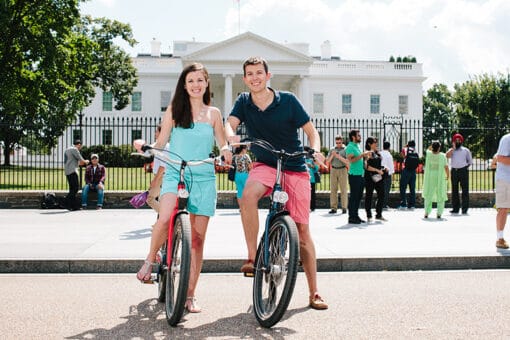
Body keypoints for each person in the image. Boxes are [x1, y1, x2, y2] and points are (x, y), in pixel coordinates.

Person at [225, 57, 328, 310]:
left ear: (268, 76)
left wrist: (315, 150)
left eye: (259, 73)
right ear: (245, 78)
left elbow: (312, 132)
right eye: (249, 74)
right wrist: (231, 140)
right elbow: (230, 124)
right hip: (266, 164)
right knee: (247, 196)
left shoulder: (289, 100)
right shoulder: (243, 102)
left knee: (303, 232)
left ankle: (314, 292)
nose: (254, 77)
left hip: (294, 165)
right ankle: (252, 256)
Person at [136, 63, 232, 313]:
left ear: (207, 83)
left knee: (198, 240)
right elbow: (160, 142)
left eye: (200, 80)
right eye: (191, 80)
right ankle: (150, 259)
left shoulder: (214, 113)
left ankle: (190, 295)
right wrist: (145, 146)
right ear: (184, 84)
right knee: (166, 217)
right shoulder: (175, 110)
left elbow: (222, 143)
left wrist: (226, 152)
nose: (196, 85)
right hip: (175, 172)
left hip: (203, 176)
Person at [346, 129, 370, 224]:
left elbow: (360, 158)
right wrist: (362, 155)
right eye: (358, 135)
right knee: (354, 197)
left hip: (360, 175)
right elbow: (351, 160)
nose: (360, 137)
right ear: (353, 137)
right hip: (354, 176)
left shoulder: (357, 146)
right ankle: (351, 217)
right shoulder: (350, 147)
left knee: (359, 197)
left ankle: (356, 215)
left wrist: (365, 157)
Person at [446, 133, 472, 214]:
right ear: (453, 141)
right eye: (456, 140)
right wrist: (452, 148)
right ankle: (455, 208)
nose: (457, 141)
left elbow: (470, 161)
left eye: (459, 140)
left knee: (465, 190)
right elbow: (447, 156)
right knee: (454, 190)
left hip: (463, 171)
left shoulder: (466, 150)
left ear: (461, 141)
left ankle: (465, 209)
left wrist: (464, 168)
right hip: (454, 171)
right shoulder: (451, 150)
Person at [422, 141, 449, 219]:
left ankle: (426, 212)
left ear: (432, 147)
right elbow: (446, 167)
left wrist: (432, 146)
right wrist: (448, 175)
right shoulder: (442, 156)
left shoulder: (429, 154)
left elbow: (428, 149)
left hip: (430, 176)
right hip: (439, 176)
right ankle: (439, 213)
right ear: (439, 148)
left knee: (429, 194)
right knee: (440, 193)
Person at [364, 137, 386, 222]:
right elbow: (367, 167)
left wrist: (383, 169)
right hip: (370, 177)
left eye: (376, 142)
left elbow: (378, 164)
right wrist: (377, 170)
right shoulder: (367, 153)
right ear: (369, 144)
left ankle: (379, 214)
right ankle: (369, 215)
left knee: (382, 194)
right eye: (374, 142)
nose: (376, 144)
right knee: (369, 195)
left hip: (378, 177)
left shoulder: (377, 152)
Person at [146, 124, 166, 215]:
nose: (155, 133)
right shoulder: (159, 145)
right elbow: (149, 148)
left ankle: (165, 216)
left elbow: (163, 166)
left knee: (150, 199)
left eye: (156, 131)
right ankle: (162, 222)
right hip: (160, 176)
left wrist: (155, 180)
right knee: (162, 201)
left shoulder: (164, 146)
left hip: (161, 176)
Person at [326, 135, 349, 214]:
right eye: (337, 143)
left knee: (343, 190)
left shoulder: (346, 149)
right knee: (333, 190)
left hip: (343, 169)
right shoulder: (332, 149)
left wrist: (338, 156)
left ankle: (344, 207)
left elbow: (347, 162)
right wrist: (333, 155)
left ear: (342, 141)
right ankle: (333, 208)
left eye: (339, 143)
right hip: (333, 170)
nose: (338, 144)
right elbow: (328, 161)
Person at [64, 139, 89, 211]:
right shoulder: (74, 149)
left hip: (67, 171)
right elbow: (81, 160)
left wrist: (80, 163)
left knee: (72, 189)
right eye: (80, 147)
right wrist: (86, 161)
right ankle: (66, 202)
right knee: (75, 188)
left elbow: (73, 161)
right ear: (79, 145)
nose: (80, 148)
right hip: (72, 171)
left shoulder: (67, 149)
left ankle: (73, 206)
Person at [495, 133, 510, 249]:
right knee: (503, 208)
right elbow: (499, 158)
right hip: (505, 179)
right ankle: (500, 239)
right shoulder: (507, 139)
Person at [398, 140, 418, 210]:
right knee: (412, 188)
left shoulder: (405, 149)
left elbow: (402, 155)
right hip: (413, 171)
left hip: (406, 170)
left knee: (403, 187)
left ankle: (403, 204)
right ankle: (412, 204)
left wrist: (405, 147)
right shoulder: (415, 151)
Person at [232, 145, 252, 209]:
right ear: (243, 149)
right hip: (245, 175)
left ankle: (241, 208)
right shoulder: (246, 156)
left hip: (237, 175)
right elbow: (250, 166)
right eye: (246, 148)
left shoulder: (235, 156)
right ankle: (247, 206)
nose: (247, 150)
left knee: (240, 192)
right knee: (247, 191)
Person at [380, 141, 395, 210]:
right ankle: (384, 204)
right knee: (386, 190)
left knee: (380, 189)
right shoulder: (389, 155)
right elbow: (391, 167)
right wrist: (391, 173)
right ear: (389, 147)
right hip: (387, 174)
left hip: (379, 173)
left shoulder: (379, 153)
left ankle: (379, 202)